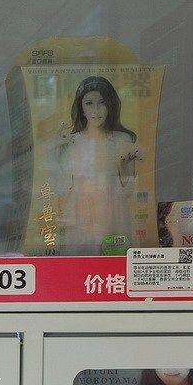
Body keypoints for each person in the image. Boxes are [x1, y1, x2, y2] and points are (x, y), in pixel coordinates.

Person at [53, 75, 144, 254]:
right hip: (79, 216)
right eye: (89, 103)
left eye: (102, 103)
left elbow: (128, 190)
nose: (96, 110)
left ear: (110, 105)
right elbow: (62, 187)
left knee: (114, 264)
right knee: (78, 266)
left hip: (114, 215)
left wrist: (122, 164)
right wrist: (56, 153)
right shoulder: (71, 142)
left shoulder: (122, 140)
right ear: (81, 107)